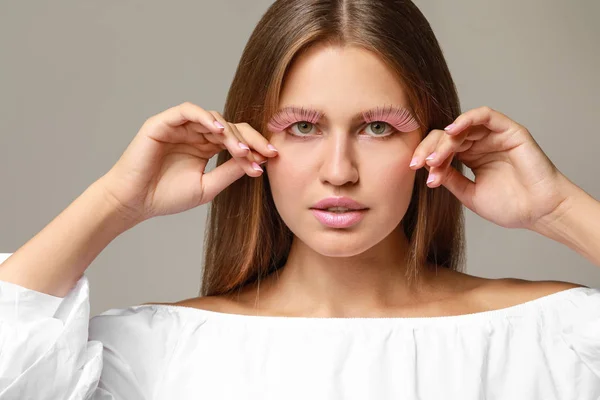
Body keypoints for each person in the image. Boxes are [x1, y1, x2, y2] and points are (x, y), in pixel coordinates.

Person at [1, 0, 599, 398]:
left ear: (435, 139)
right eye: (303, 128)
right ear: (250, 139)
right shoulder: (157, 356)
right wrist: (115, 201)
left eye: (378, 128)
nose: (339, 172)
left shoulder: (552, 338)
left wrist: (559, 210)